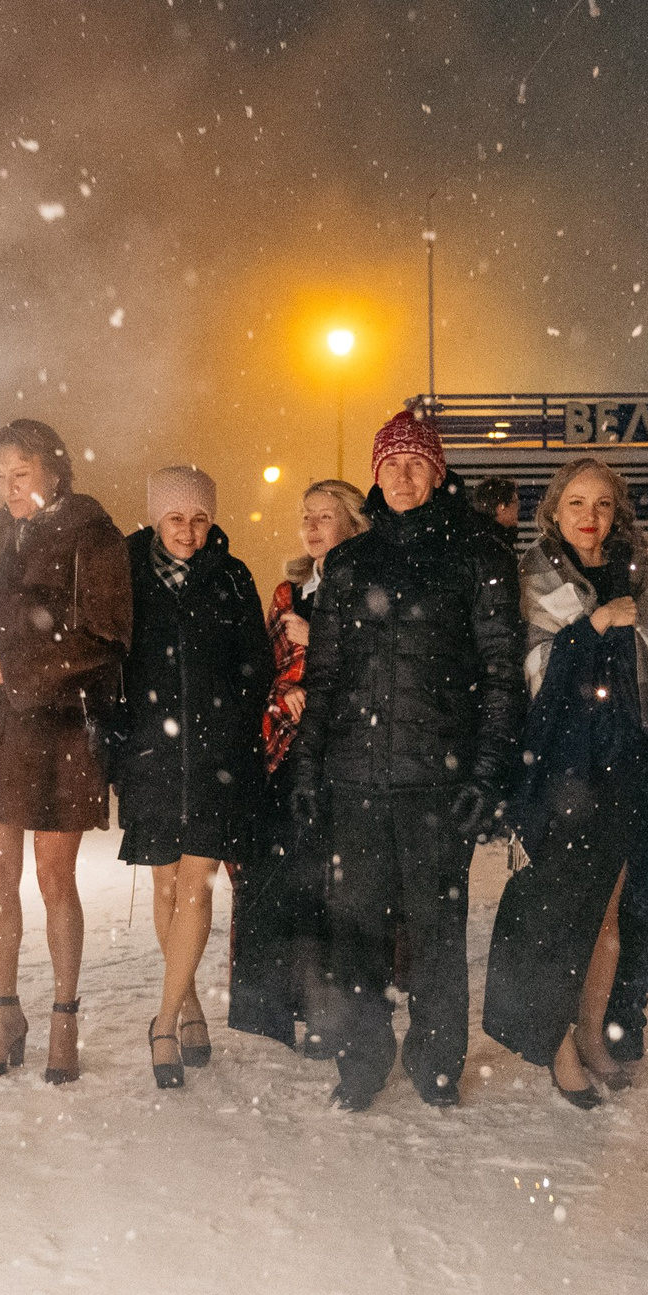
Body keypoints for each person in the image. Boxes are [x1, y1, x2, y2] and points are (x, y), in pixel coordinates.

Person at [288, 410, 525, 1111]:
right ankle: (362, 1058)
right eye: (390, 463)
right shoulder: (350, 563)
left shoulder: (478, 553)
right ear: (375, 473)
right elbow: (325, 677)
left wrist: (487, 772)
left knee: (437, 931)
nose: (402, 475)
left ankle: (436, 1059)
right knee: (355, 930)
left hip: (437, 781)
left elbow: (501, 673)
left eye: (416, 462)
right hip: (355, 777)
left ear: (437, 471)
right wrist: (308, 768)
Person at [486, 459, 648, 1106]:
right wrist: (592, 626)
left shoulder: (642, 575)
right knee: (559, 914)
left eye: (603, 504)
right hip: (560, 769)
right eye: (576, 503)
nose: (589, 517)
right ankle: (556, 1042)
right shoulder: (533, 576)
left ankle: (591, 1032)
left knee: (607, 915)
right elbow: (536, 674)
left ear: (618, 513)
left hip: (623, 766)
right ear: (554, 510)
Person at [0, 419, 133, 1082]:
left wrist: (21, 667)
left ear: (54, 471)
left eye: (20, 475)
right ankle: (4, 1016)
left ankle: (64, 1019)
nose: (9, 489)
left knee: (56, 880)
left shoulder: (93, 534)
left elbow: (107, 639)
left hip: (62, 732)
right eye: (0, 477)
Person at [116, 466, 271, 1089]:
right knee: (165, 886)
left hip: (214, 758)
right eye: (176, 518)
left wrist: (230, 728)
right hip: (150, 756)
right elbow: (113, 660)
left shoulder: (232, 577)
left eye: (200, 518)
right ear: (157, 518)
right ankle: (188, 1005)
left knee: (196, 886)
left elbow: (255, 665)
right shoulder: (127, 574)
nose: (188, 531)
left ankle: (162, 1023)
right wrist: (122, 736)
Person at [229, 479, 369, 1055]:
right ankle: (276, 1008)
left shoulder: (370, 586)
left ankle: (328, 1012)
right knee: (276, 881)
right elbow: (263, 670)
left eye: (325, 516)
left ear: (354, 525)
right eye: (306, 516)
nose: (311, 527)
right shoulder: (287, 592)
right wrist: (279, 698)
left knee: (330, 890)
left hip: (345, 756)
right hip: (286, 756)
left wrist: (323, 640)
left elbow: (384, 671)